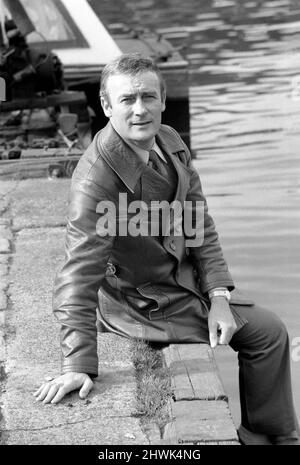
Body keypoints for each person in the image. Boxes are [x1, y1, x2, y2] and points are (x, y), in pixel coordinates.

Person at [34, 54, 299, 445]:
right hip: (143, 302)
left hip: (181, 281)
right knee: (268, 335)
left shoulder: (170, 141)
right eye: (127, 100)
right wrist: (79, 364)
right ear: (106, 106)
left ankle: (267, 435)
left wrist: (219, 296)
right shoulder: (97, 181)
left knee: (270, 333)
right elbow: (78, 274)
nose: (140, 110)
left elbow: (199, 225)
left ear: (162, 100)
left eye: (148, 97)